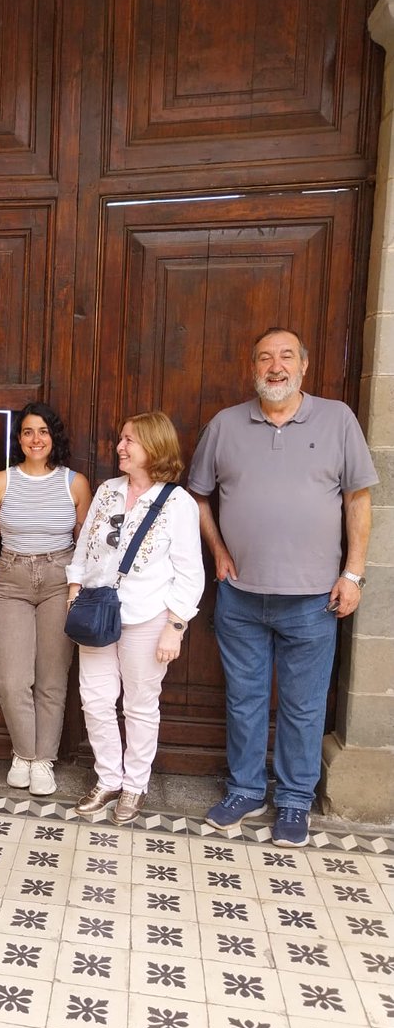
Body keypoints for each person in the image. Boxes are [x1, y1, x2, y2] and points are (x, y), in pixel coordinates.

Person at [189, 327, 378, 847]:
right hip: (241, 596)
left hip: (315, 599)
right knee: (245, 700)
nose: (276, 366)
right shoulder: (226, 425)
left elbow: (358, 501)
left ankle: (295, 801)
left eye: (286, 356)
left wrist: (353, 574)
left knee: (303, 704)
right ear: (253, 368)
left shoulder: (338, 419)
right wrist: (221, 554)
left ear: (304, 366)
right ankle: (246, 790)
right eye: (266, 358)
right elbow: (198, 498)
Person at [68, 412, 204, 824]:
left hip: (147, 617)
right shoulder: (108, 491)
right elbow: (85, 546)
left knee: (141, 706)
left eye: (130, 441)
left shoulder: (177, 503)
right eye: (121, 438)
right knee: (94, 699)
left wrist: (175, 626)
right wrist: (74, 591)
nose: (120, 447)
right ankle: (108, 778)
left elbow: (190, 571)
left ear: (155, 448)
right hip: (95, 612)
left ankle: (134, 785)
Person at [0, 403, 92, 795]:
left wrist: (80, 592)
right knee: (11, 678)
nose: (35, 439)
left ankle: (43, 761)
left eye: (42, 431)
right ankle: (24, 752)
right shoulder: (0, 482)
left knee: (53, 679)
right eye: (27, 432)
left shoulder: (75, 483)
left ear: (53, 436)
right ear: (18, 438)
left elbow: (87, 547)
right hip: (11, 580)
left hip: (61, 579)